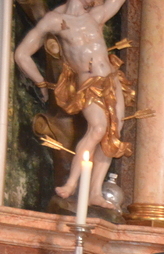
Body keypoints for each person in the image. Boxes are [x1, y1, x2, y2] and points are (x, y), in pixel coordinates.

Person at [14, 0, 132, 207]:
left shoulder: (96, 15)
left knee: (112, 133)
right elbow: (22, 54)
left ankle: (95, 192)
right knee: (97, 129)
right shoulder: (54, 20)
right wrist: (41, 83)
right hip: (87, 83)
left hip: (111, 79)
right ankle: (71, 184)